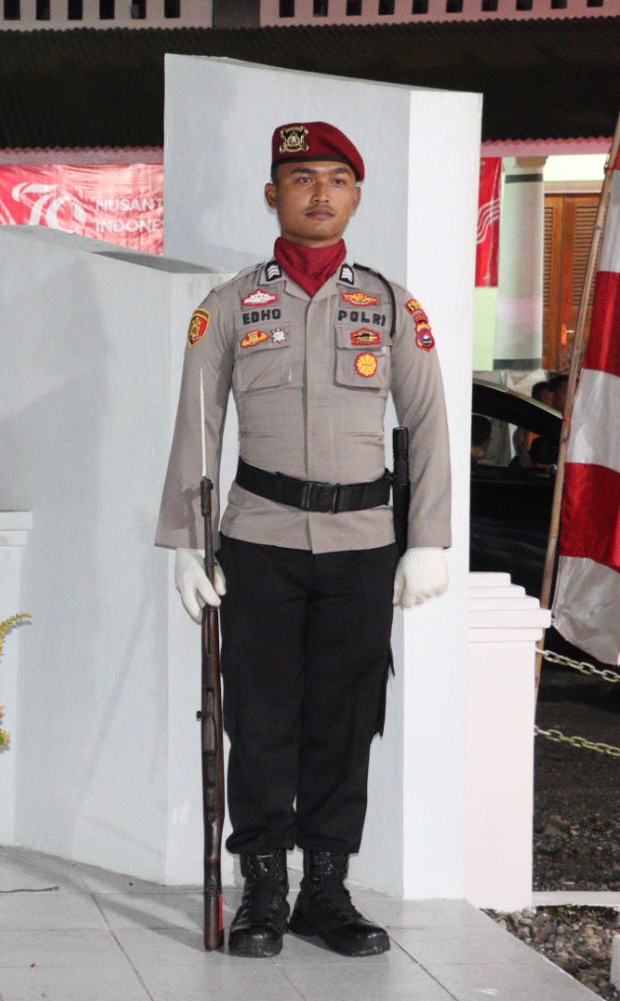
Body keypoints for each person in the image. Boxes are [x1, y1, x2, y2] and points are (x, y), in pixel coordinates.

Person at [156, 122, 451, 959]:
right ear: (271, 195)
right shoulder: (228, 306)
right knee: (258, 715)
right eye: (300, 178)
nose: (319, 193)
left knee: (345, 716)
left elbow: (428, 423)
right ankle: (263, 886)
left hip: (365, 543)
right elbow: (197, 430)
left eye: (336, 179)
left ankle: (325, 886)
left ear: (355, 195)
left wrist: (426, 539)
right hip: (260, 540)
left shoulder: (392, 305)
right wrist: (188, 542)